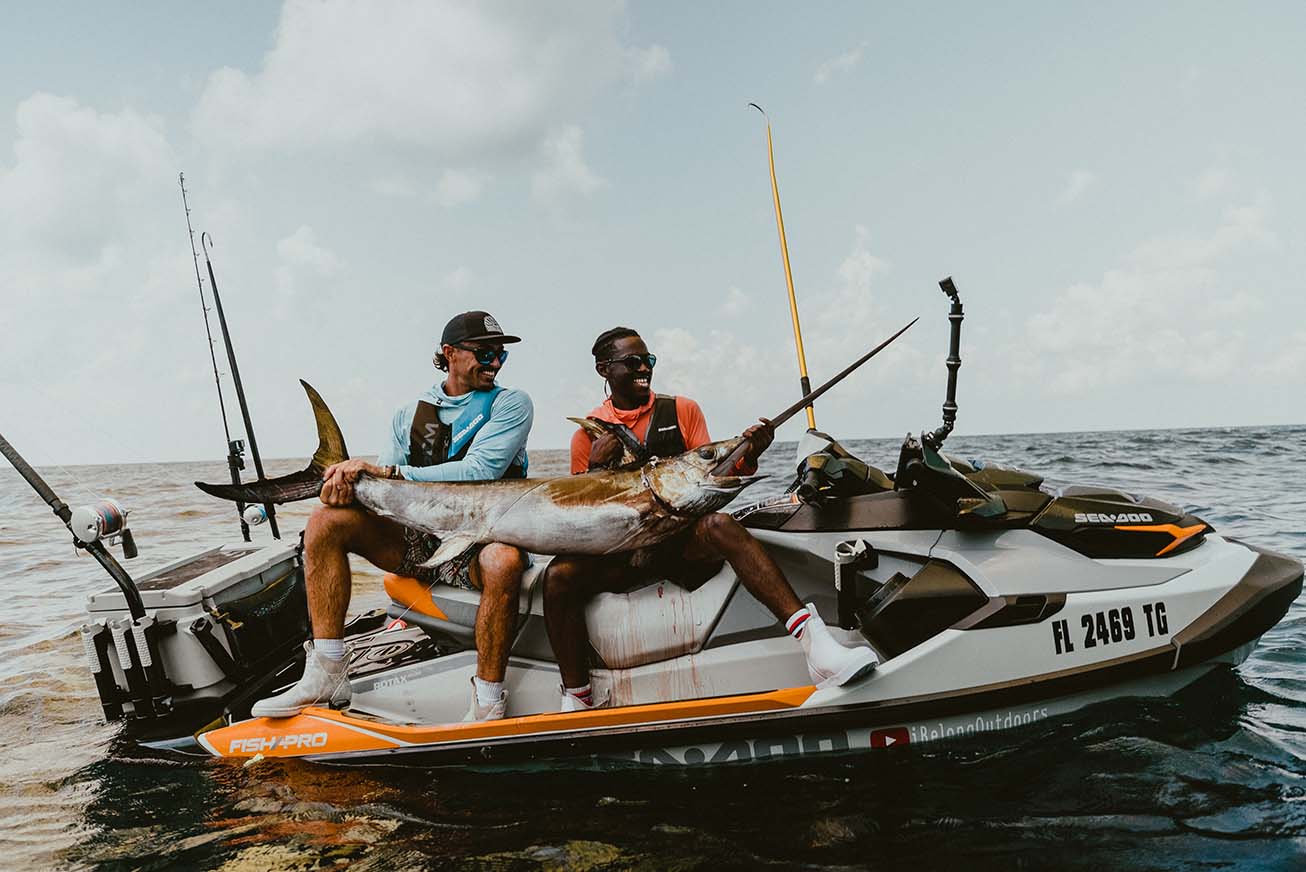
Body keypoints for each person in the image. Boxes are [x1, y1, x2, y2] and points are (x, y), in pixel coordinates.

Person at [543, 326, 877, 712]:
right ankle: (578, 697)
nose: (643, 369)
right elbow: (581, 513)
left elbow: (713, 476)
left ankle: (817, 649)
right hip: (626, 553)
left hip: (680, 542)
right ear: (605, 370)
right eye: (632, 362)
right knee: (558, 576)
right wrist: (595, 469)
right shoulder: (587, 435)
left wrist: (749, 456)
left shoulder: (683, 410)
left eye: (648, 360)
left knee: (721, 525)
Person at [251, 311, 533, 722]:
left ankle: (488, 697)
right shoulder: (409, 414)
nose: (494, 363)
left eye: (500, 355)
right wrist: (341, 490)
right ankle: (328, 669)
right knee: (325, 520)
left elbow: (480, 473)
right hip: (421, 540)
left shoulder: (511, 403)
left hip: (484, 537)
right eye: (483, 353)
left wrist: (390, 474)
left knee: (504, 560)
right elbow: (385, 495)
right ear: (449, 353)